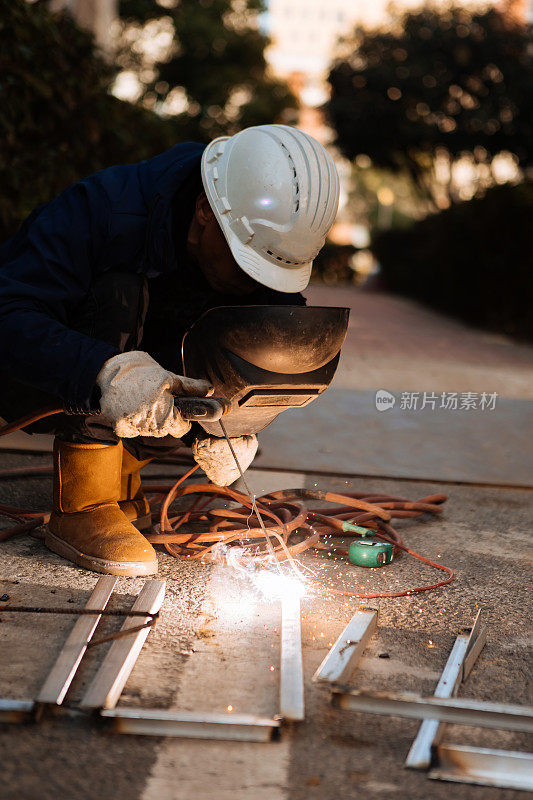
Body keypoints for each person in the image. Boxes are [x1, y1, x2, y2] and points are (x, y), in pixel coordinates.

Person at [0, 124, 340, 575]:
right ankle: (85, 503)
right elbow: (8, 313)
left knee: (250, 323)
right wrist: (103, 372)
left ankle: (123, 478)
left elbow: (266, 340)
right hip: (40, 374)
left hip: (141, 382)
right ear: (204, 209)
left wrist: (235, 419)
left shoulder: (264, 239)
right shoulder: (103, 209)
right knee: (118, 289)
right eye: (246, 264)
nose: (254, 282)